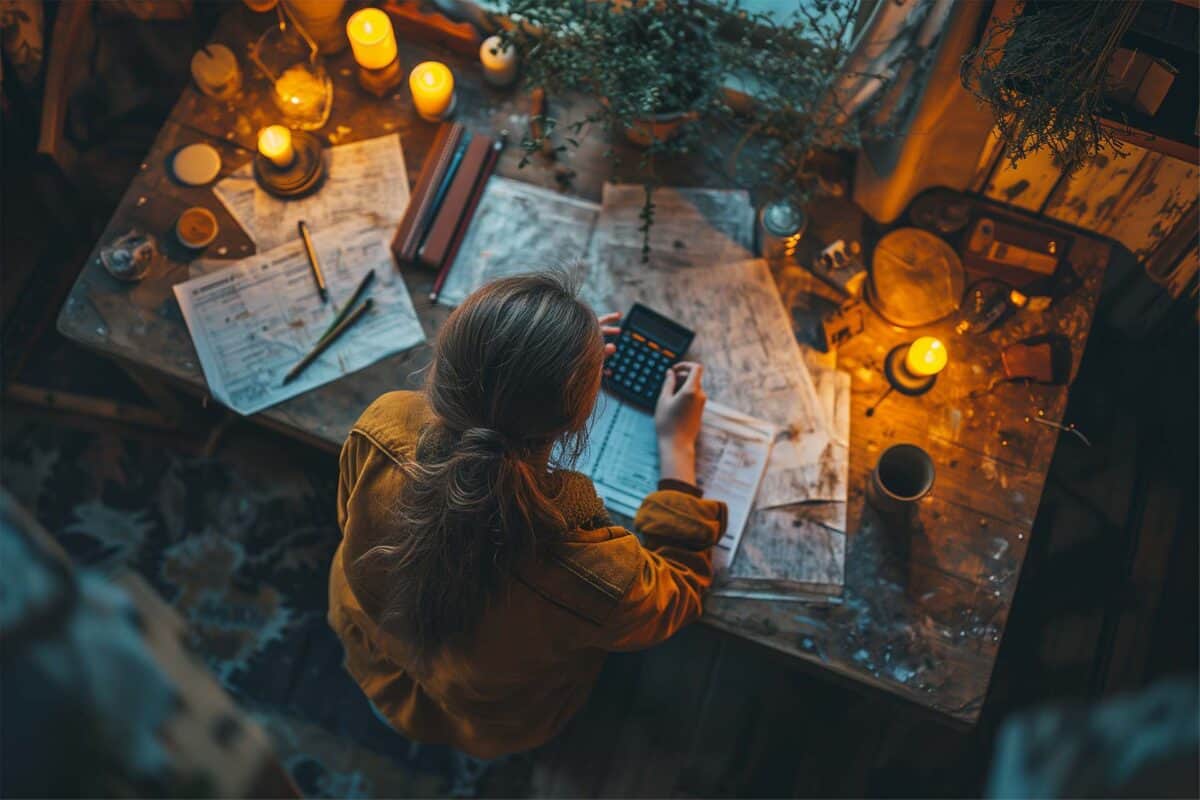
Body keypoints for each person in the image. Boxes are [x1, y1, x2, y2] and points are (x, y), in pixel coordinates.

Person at [327, 273, 726, 759]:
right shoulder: (595, 575)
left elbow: (348, 515)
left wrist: (549, 357)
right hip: (494, 719)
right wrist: (677, 447)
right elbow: (680, 590)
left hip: (372, 654)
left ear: (445, 365)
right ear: (577, 419)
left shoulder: (382, 424)